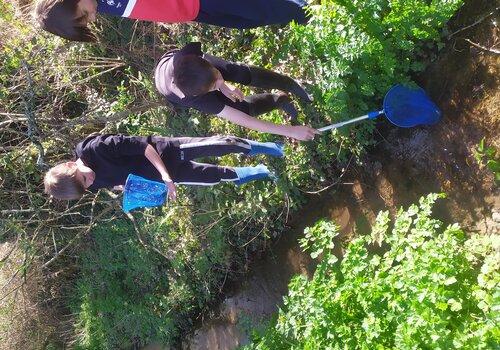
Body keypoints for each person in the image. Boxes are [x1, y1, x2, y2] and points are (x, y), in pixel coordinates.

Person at [155, 42, 320, 141]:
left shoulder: (188, 56)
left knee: (236, 71)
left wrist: (223, 85)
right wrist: (291, 131)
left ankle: (288, 83)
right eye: (213, 86)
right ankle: (278, 100)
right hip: (182, 87)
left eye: (217, 76)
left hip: (182, 65)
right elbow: (245, 120)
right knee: (241, 109)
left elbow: (212, 72)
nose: (219, 82)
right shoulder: (197, 99)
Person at [44, 133, 285, 201]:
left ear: (69, 165)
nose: (91, 180)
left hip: (165, 152)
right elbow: (115, 183)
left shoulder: (97, 148)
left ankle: (271, 146)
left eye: (84, 178)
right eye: (87, 185)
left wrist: (165, 176)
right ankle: (263, 171)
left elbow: (144, 148)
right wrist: (127, 189)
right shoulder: (89, 183)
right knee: (215, 176)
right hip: (165, 178)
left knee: (223, 144)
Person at [34, 0, 309, 42]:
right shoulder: (98, 3)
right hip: (195, 12)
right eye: (86, 22)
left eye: (83, 15)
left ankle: (311, 8)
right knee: (248, 21)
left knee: (265, 10)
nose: (92, 17)